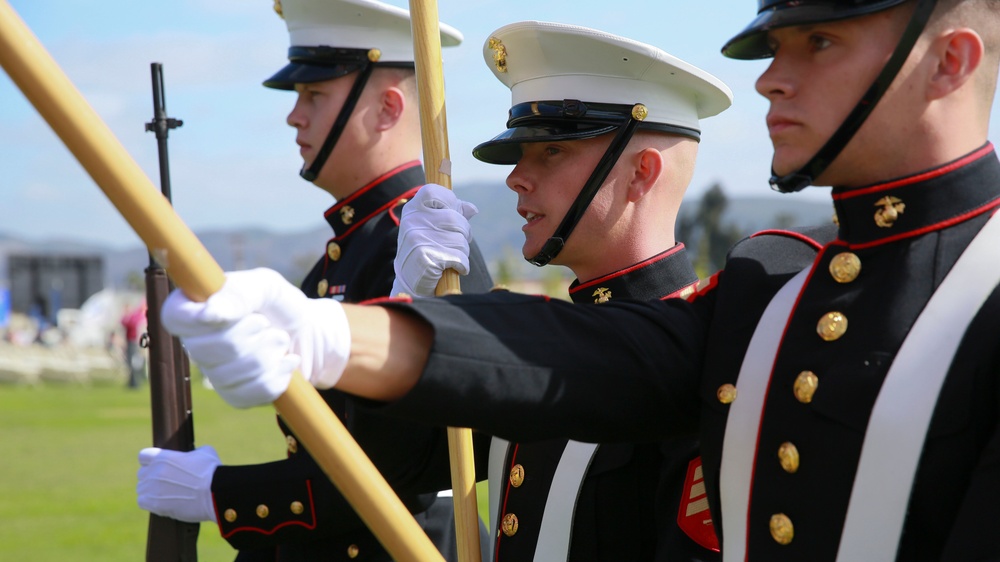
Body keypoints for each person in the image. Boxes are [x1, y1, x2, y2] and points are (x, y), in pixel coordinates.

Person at [160, 0, 1000, 560]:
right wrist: (337, 332)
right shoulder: (770, 290)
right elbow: (586, 359)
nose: (771, 78)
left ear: (952, 60)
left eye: (819, 42)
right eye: (777, 46)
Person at [136, 1, 492, 561]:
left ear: (386, 109)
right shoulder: (337, 259)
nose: (293, 116)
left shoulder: (428, 250)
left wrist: (222, 496)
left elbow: (392, 470)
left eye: (314, 95)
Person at [393, 21, 731, 561]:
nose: (515, 178)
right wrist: (411, 299)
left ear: (642, 172)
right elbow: (399, 467)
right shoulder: (537, 344)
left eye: (550, 152)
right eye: (521, 154)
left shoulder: (708, 360)